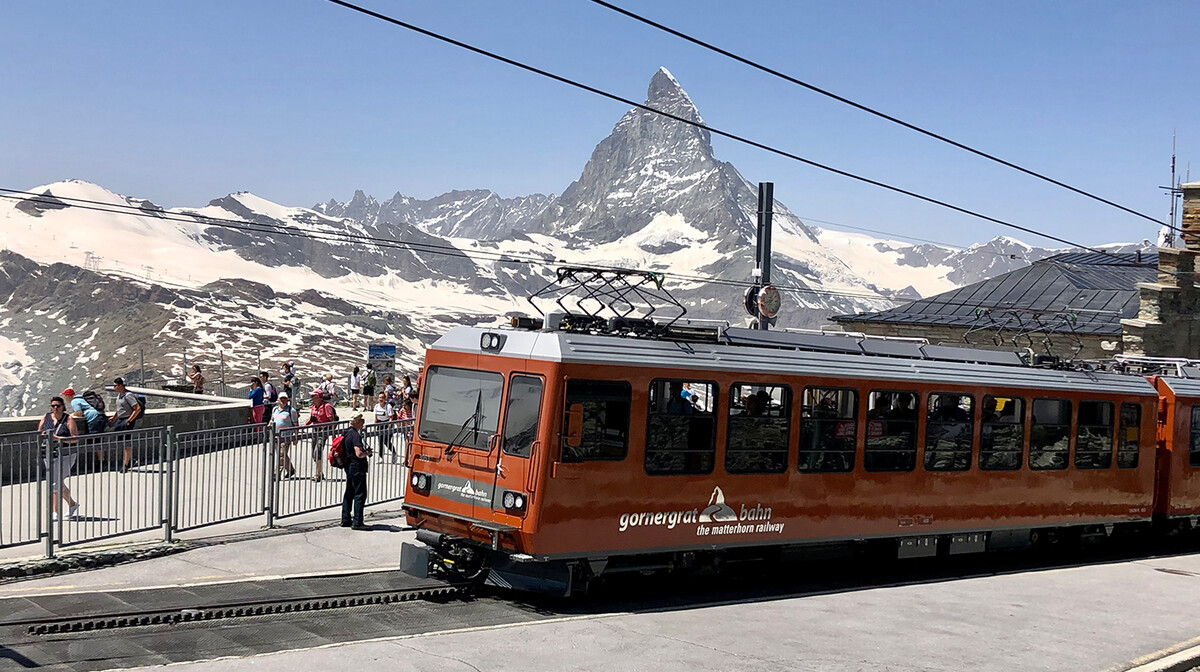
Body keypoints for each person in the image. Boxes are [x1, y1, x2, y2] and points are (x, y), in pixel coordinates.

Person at [40, 396, 81, 521]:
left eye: (58, 405)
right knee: (56, 482)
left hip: (65, 454)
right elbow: (40, 432)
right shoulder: (46, 417)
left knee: (55, 482)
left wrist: (57, 438)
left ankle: (55, 511)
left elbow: (75, 438)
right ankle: (73, 504)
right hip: (49, 453)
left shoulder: (68, 419)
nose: (55, 408)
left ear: (63, 406)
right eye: (53, 406)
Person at [340, 413, 372, 530]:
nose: (363, 422)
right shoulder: (355, 436)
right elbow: (359, 453)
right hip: (357, 467)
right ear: (357, 422)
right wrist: (367, 453)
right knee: (360, 494)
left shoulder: (346, 432)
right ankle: (358, 522)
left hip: (348, 466)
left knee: (349, 493)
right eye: (362, 420)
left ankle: (345, 519)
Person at [109, 377, 143, 472]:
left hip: (126, 420)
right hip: (120, 420)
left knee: (126, 443)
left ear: (120, 386)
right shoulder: (120, 395)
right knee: (121, 442)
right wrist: (114, 417)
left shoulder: (128, 395)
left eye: (115, 385)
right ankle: (129, 460)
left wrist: (129, 420)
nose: (114, 387)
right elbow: (119, 408)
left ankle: (126, 464)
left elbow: (137, 408)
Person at [305, 390, 337, 482]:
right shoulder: (313, 406)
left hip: (323, 431)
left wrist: (333, 433)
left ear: (318, 397)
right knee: (313, 454)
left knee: (318, 451)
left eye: (313, 396)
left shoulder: (326, 407)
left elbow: (332, 420)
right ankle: (320, 471)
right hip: (315, 430)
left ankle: (318, 474)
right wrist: (303, 427)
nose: (311, 398)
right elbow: (311, 418)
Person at [271, 392, 300, 478]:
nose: (283, 400)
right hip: (276, 436)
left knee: (281, 454)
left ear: (287, 400)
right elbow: (272, 420)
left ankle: (276, 473)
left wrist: (295, 437)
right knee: (282, 455)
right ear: (278, 400)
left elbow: (296, 425)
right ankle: (291, 469)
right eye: (281, 399)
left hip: (286, 436)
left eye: (285, 398)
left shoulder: (291, 410)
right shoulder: (275, 409)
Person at [372, 391, 396, 460]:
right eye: (379, 398)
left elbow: (391, 418)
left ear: (385, 399)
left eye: (382, 397)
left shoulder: (388, 407)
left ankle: (394, 452)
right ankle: (380, 456)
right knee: (380, 441)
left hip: (387, 424)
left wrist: (389, 426)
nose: (381, 399)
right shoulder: (376, 406)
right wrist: (374, 427)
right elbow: (376, 418)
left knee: (386, 441)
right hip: (380, 424)